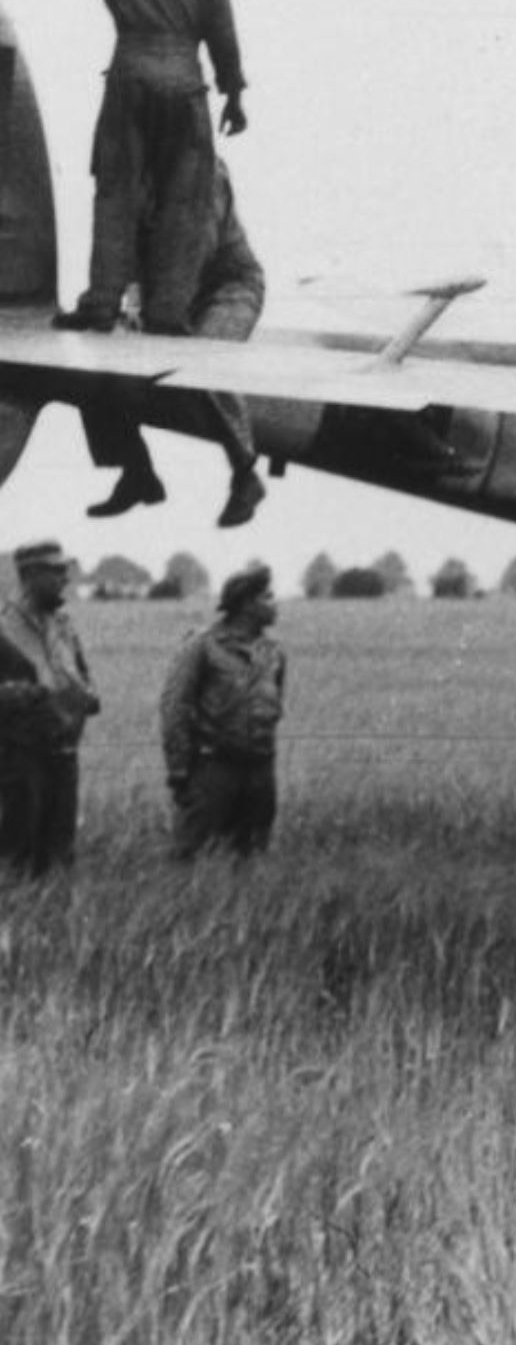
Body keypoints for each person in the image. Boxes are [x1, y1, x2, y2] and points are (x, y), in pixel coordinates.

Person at [0, 0, 249, 333]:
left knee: (116, 193)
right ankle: (168, 314)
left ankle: (100, 305)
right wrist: (233, 95)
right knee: (183, 200)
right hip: (184, 83)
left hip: (130, 77)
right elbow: (222, 31)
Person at [79, 158, 269, 527]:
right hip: (162, 294)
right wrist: (123, 307)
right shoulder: (133, 175)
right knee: (96, 363)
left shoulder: (205, 172)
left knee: (204, 361)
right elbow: (123, 248)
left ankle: (246, 473)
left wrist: (158, 318)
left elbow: (197, 248)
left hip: (227, 288)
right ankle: (137, 473)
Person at [162, 561, 286, 859]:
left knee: (252, 856)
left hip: (259, 769)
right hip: (212, 768)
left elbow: (276, 701)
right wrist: (179, 770)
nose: (275, 603)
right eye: (267, 597)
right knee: (191, 856)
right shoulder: (203, 646)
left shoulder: (273, 652)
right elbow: (174, 706)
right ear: (245, 604)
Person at [0, 540, 101, 876]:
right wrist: (19, 695)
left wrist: (86, 695)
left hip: (64, 755)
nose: (65, 578)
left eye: (65, 570)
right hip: (18, 762)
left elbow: (84, 675)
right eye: (56, 571)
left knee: (60, 859)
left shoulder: (64, 626)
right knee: (18, 860)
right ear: (29, 575)